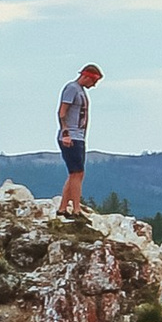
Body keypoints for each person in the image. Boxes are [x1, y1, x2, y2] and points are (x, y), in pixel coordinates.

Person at [56, 64, 103, 215]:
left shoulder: (80, 91)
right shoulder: (72, 88)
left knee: (76, 173)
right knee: (77, 173)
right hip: (71, 136)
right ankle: (76, 209)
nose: (94, 85)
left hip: (79, 136)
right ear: (87, 77)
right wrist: (65, 132)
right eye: (94, 81)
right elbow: (62, 111)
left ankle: (63, 207)